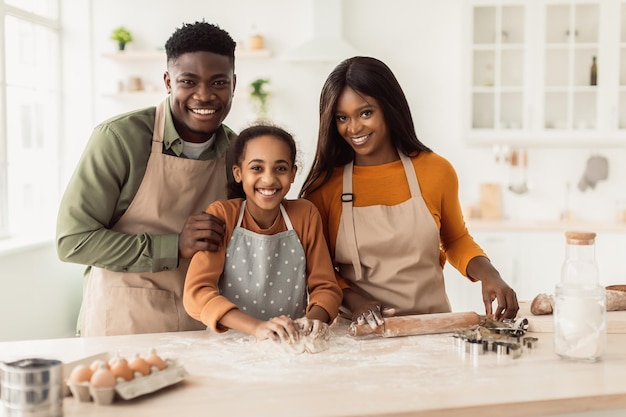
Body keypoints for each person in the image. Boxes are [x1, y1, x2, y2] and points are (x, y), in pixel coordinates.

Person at [299, 56, 519, 330]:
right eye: (342, 118)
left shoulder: (436, 170)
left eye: (366, 113)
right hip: (360, 334)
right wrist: (356, 302)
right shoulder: (324, 187)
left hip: (432, 328)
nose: (353, 128)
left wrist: (490, 274)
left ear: (389, 108)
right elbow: (318, 270)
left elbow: (455, 239)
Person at [56, 21, 238, 336]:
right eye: (188, 81)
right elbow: (73, 241)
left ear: (233, 83)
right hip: (125, 326)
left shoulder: (237, 150)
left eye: (218, 82)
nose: (204, 95)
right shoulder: (120, 138)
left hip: (202, 327)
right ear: (168, 82)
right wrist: (174, 246)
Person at [183, 124, 342, 343]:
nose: (268, 179)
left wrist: (312, 321)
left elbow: (327, 288)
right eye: (257, 168)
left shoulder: (305, 215)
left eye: (280, 168)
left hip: (291, 343)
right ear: (238, 173)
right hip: (230, 347)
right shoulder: (223, 215)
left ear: (293, 174)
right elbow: (197, 294)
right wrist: (258, 328)